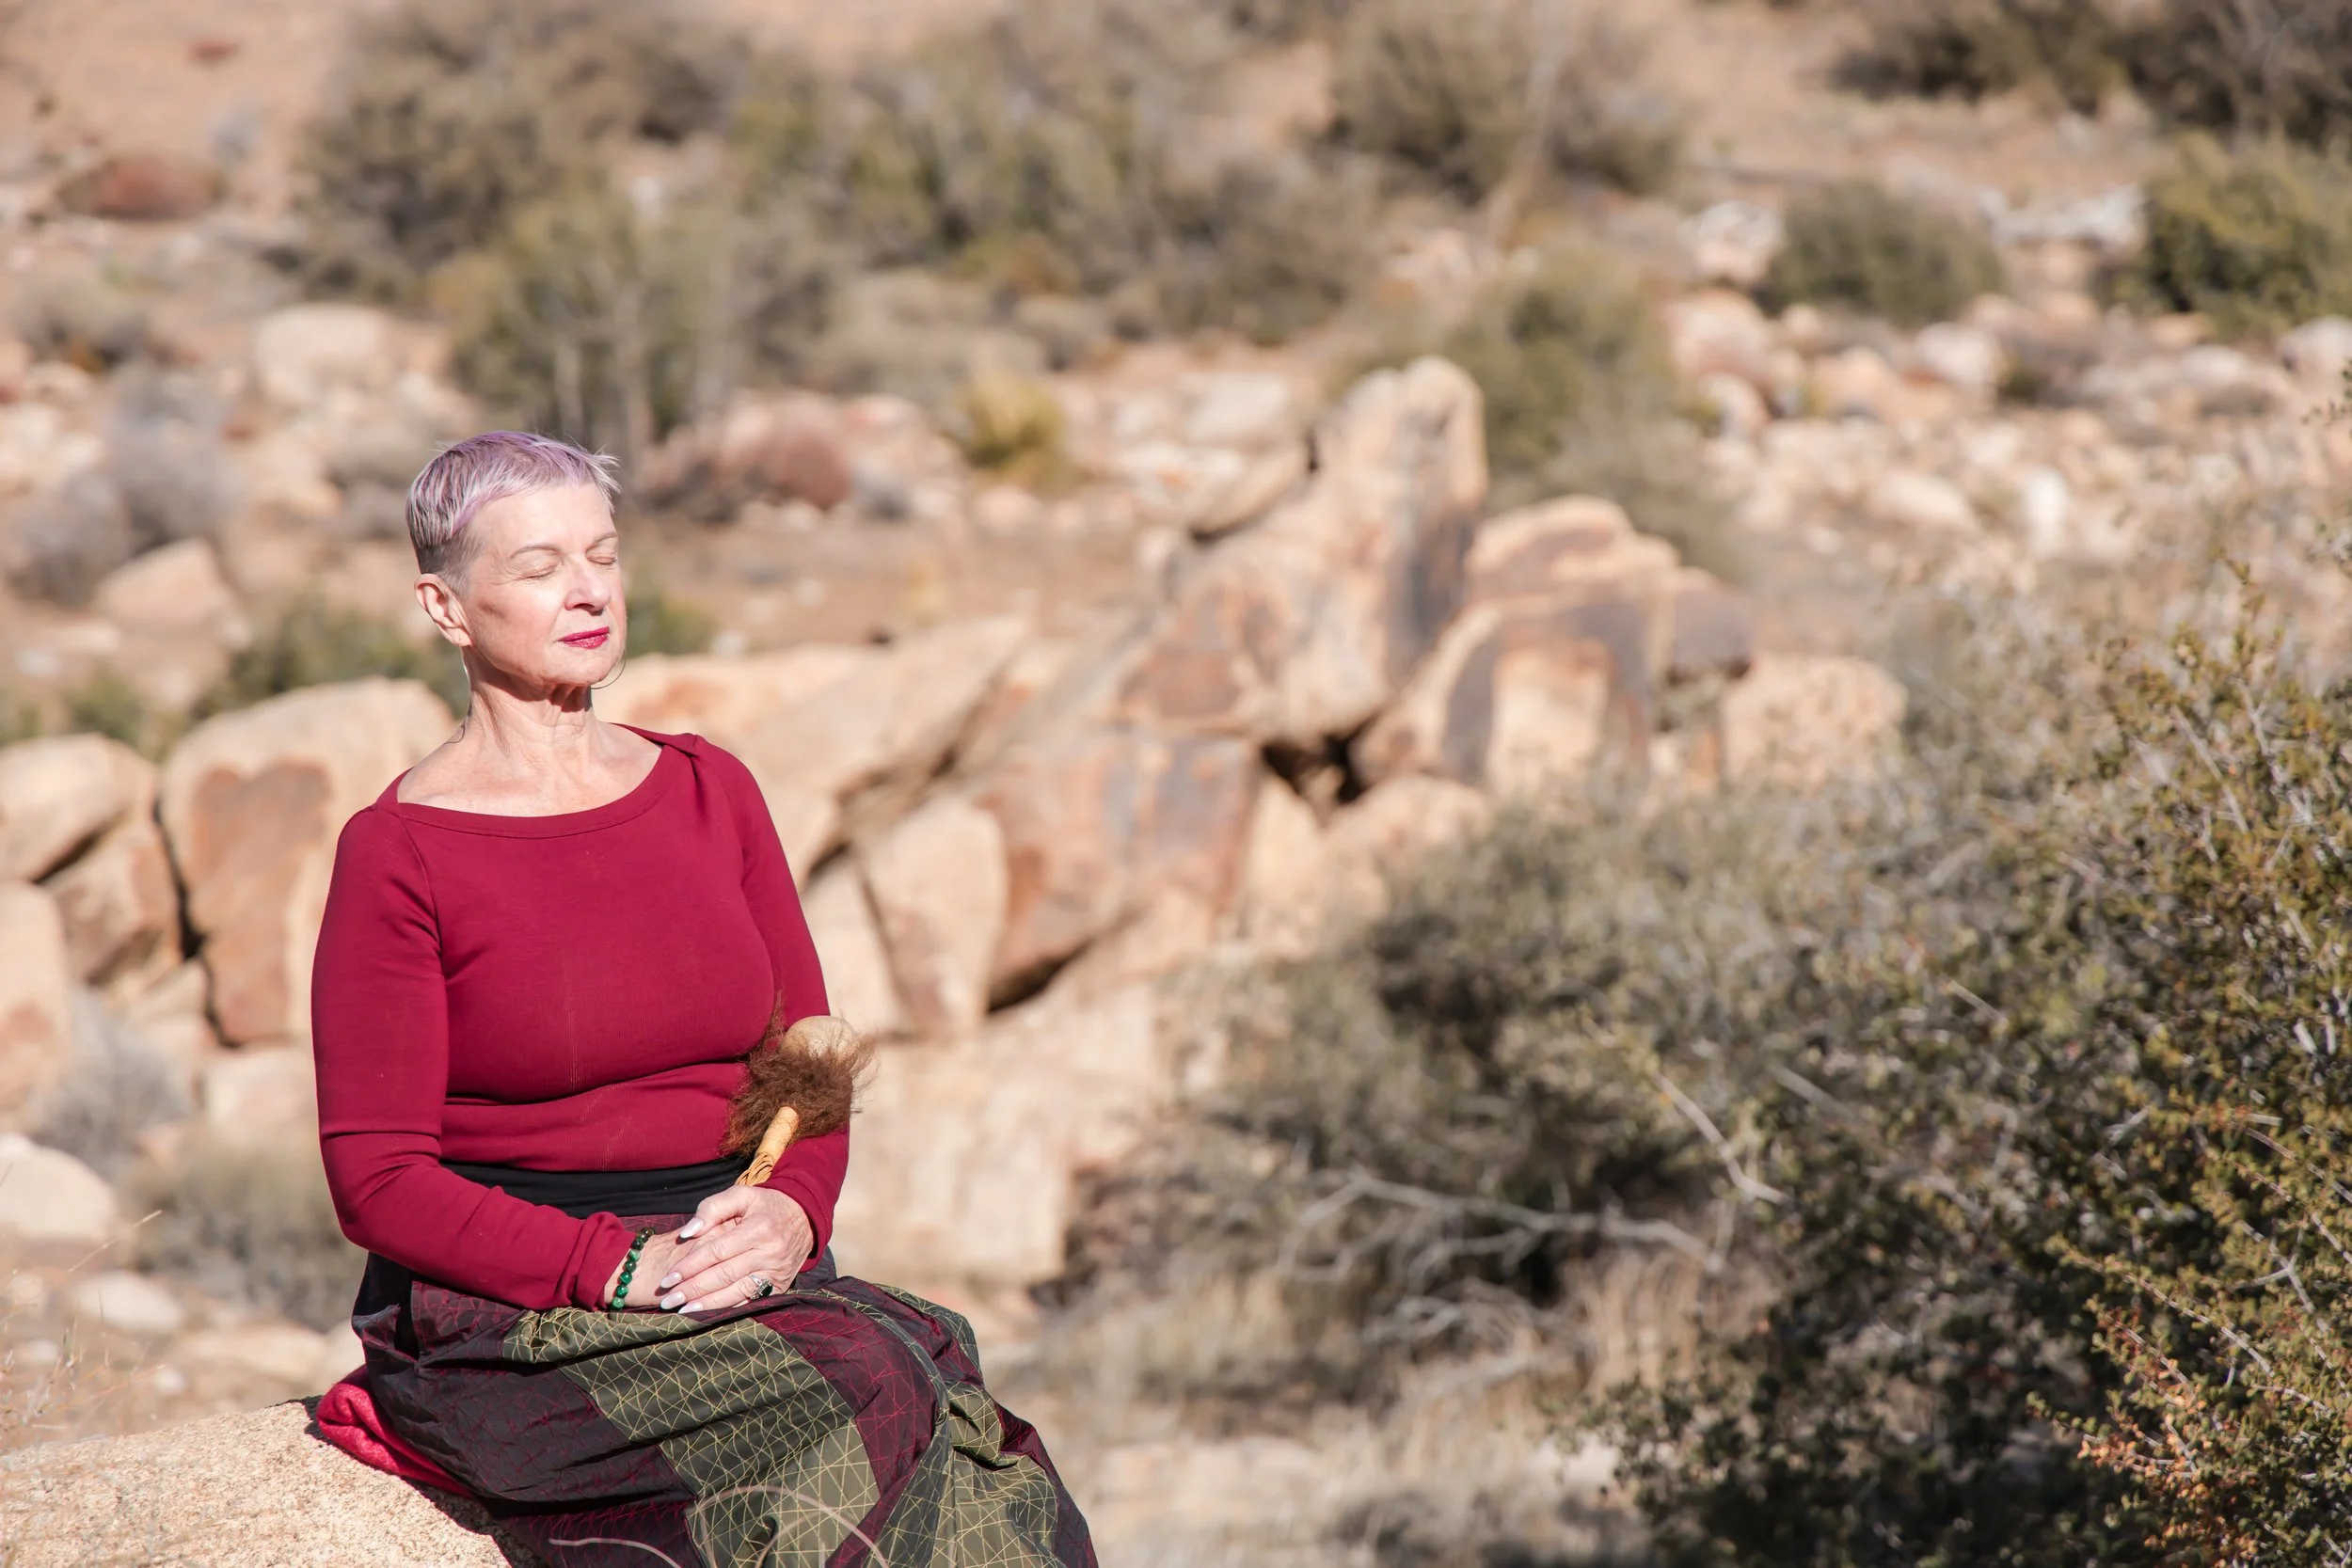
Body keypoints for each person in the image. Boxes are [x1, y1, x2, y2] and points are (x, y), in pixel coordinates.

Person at [309, 431, 1095, 1568]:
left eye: (602, 553)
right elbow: (376, 1179)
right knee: (862, 1385)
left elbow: (808, 1067)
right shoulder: (399, 852)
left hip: (737, 1256)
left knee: (946, 1389)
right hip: (519, 1303)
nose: (588, 590)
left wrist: (792, 1215)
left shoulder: (707, 788)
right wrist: (613, 1266)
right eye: (538, 567)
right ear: (446, 606)